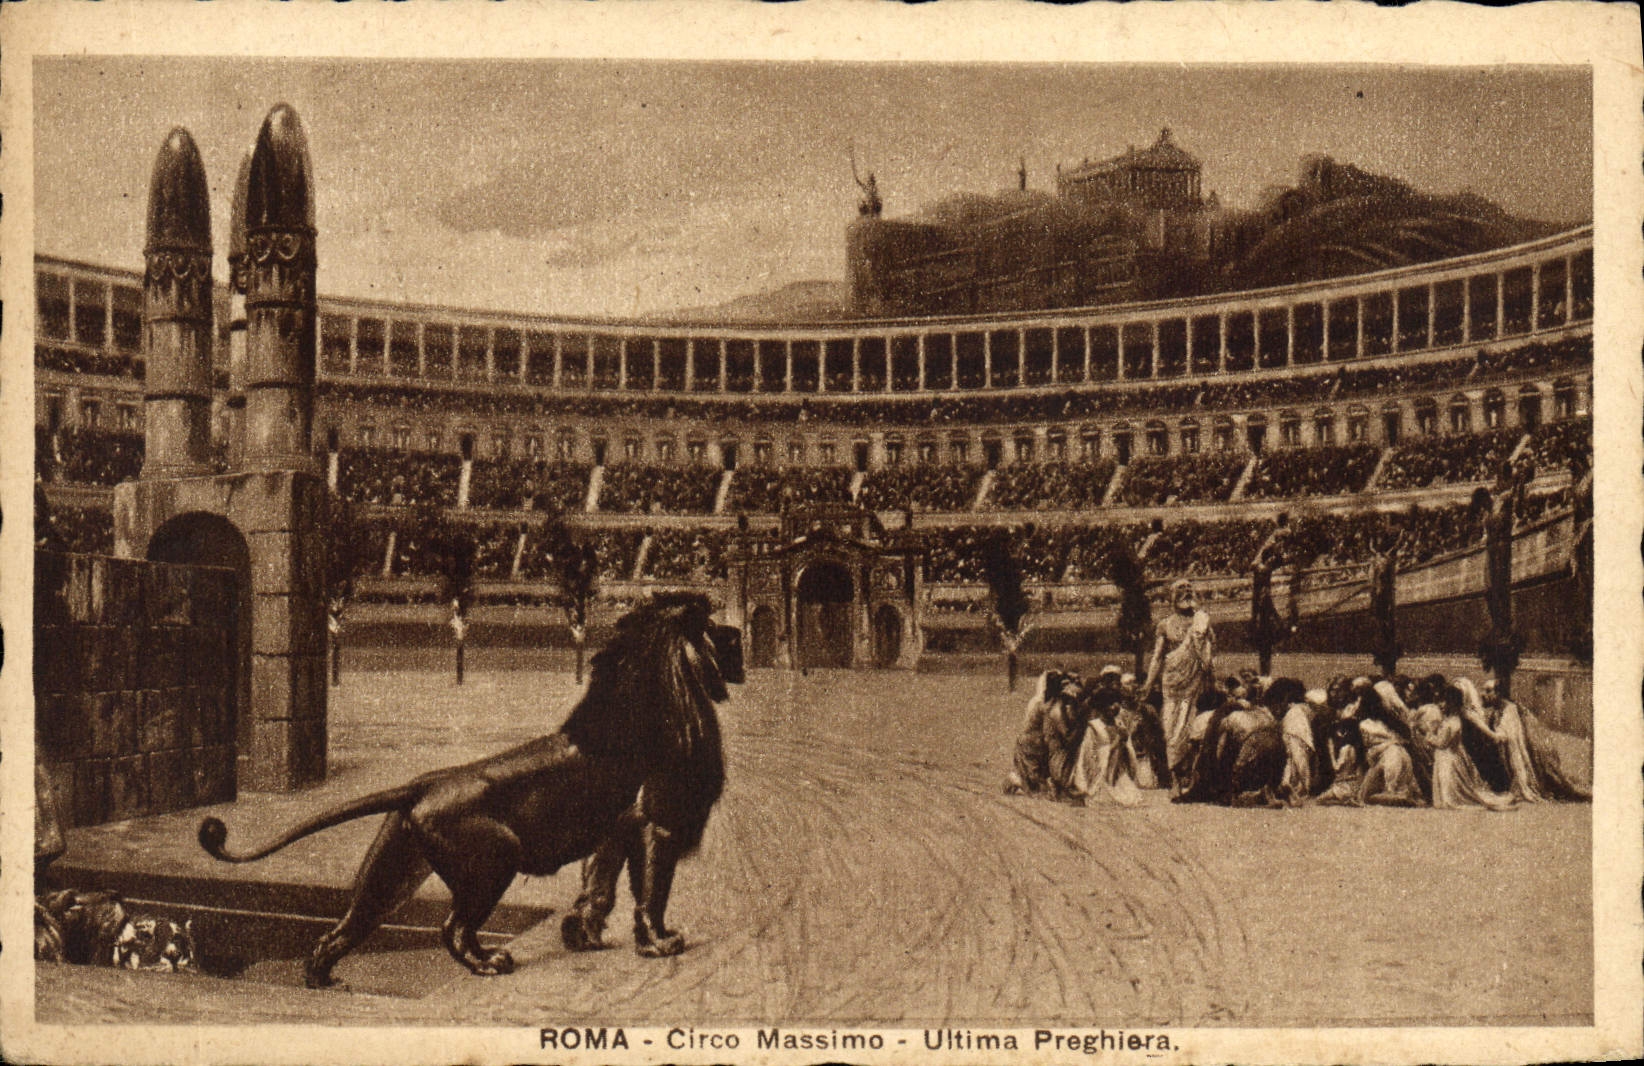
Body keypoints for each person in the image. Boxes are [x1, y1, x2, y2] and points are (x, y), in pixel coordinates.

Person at [1142, 579, 1216, 789]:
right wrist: (1148, 683)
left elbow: (1209, 655)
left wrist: (1212, 678)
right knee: (1171, 727)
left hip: (1195, 682)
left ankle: (1187, 772)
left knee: (1191, 724)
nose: (1186, 592)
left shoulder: (1202, 621)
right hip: (1172, 682)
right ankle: (1174, 773)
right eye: (1181, 589)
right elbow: (1157, 657)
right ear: (1171, 597)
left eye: (1189, 589)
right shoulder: (1165, 625)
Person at [1474, 678, 1591, 802]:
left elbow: (1502, 737)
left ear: (1498, 694)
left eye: (1488, 691)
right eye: (1483, 690)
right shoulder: (1496, 710)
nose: (1483, 694)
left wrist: (1478, 724)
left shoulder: (1509, 710)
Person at [1419, 680, 1518, 811]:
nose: (1440, 705)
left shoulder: (1453, 723)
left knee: (1450, 799)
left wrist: (1429, 735)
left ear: (1452, 703)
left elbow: (1441, 743)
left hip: (1449, 761)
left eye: (1444, 701)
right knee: (1444, 798)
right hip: (1444, 758)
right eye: (1439, 701)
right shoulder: (1449, 720)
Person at [1072, 667, 1143, 806]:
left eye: (1116, 702)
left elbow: (1129, 754)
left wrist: (1123, 745)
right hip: (1099, 774)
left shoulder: (1119, 724)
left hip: (1117, 772)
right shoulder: (1094, 727)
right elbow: (1088, 757)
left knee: (1131, 796)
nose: (1115, 707)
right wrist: (1116, 744)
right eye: (1110, 703)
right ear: (1102, 706)